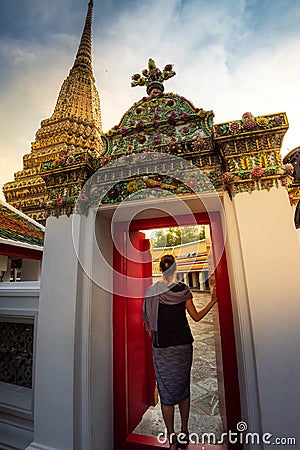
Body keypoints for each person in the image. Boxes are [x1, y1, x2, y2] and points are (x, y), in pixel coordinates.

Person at [142, 254, 217, 449]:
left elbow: (147, 320)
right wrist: (213, 301)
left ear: (160, 270)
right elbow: (197, 317)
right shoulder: (184, 290)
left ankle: (171, 437)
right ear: (176, 269)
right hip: (183, 347)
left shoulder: (152, 292)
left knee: (166, 391)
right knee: (183, 388)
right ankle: (184, 431)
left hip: (162, 348)